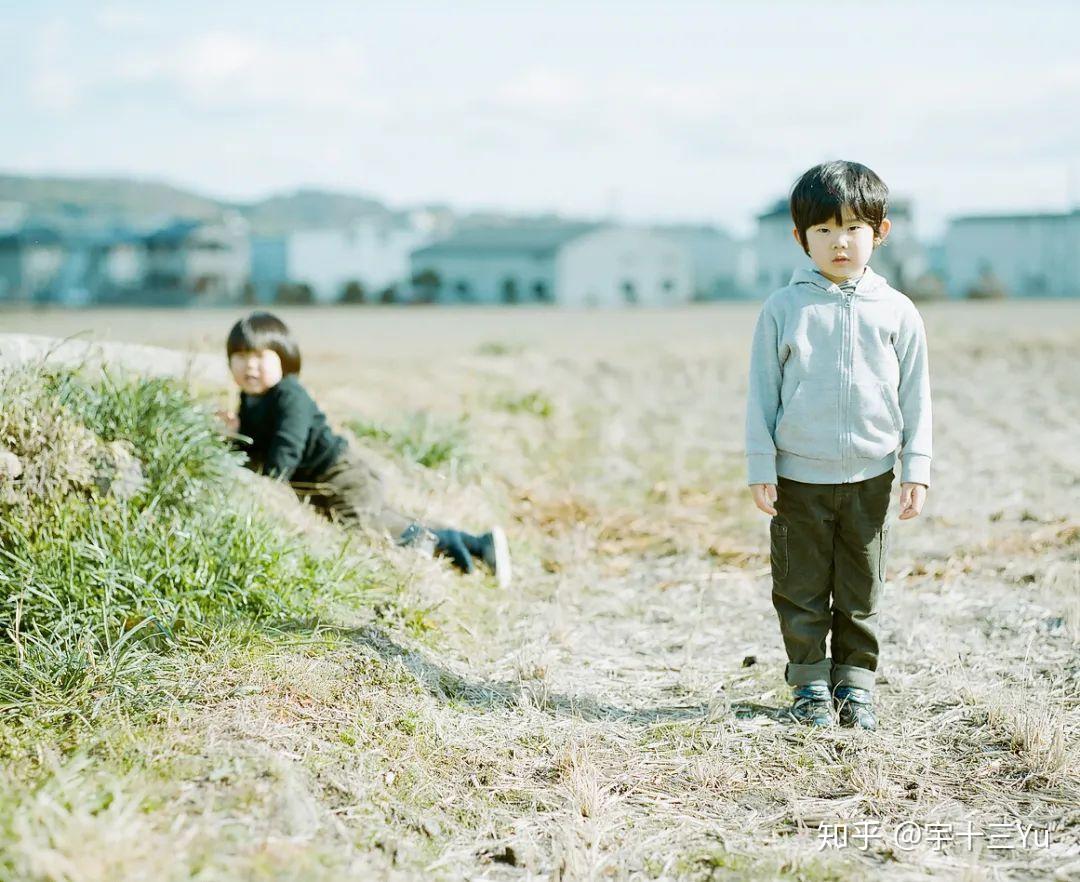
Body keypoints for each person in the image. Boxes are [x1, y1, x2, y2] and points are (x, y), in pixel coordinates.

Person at [744, 161, 931, 730]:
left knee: (861, 586)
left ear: (880, 231)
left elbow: (916, 393)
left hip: (871, 476)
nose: (839, 242)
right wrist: (761, 464)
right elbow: (761, 395)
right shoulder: (783, 309)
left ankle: (855, 685)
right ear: (799, 238)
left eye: (852, 227)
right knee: (799, 588)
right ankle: (810, 688)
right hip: (799, 478)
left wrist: (915, 466)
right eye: (823, 230)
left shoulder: (897, 311)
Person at [218, 311, 511, 587]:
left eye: (259, 355)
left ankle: (450, 543)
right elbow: (256, 447)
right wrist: (233, 436)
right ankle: (477, 546)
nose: (249, 365)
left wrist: (268, 483)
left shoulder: (289, 395)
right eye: (240, 356)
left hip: (341, 477)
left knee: (368, 530)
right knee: (389, 522)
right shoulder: (249, 399)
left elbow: (286, 449)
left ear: (284, 359)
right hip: (324, 484)